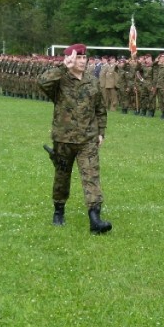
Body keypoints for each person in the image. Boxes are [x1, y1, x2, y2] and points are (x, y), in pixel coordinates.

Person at [37, 43, 112, 235]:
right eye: (78, 57)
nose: (82, 61)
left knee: (91, 177)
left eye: (83, 57)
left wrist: (101, 132)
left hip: (88, 139)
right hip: (64, 139)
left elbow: (100, 109)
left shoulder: (92, 81)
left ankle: (95, 219)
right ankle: (58, 211)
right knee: (62, 177)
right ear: (70, 59)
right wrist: (64, 66)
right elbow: (41, 82)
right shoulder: (59, 80)